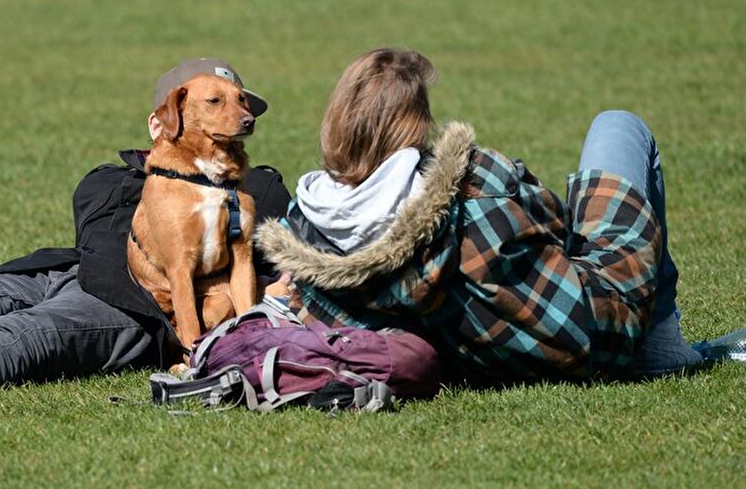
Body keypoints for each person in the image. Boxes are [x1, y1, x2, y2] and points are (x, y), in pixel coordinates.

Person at [257, 48, 745, 384]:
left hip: (485, 361)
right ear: (415, 125)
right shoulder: (474, 184)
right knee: (618, 126)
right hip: (598, 330)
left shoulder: (309, 240)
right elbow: (559, 221)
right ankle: (661, 348)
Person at [0, 58, 292, 403]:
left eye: (241, 104)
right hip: (67, 267)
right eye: (216, 105)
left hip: (133, 307)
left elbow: (259, 248)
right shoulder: (109, 177)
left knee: (31, 333)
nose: (237, 116)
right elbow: (96, 228)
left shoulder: (257, 187)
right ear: (161, 121)